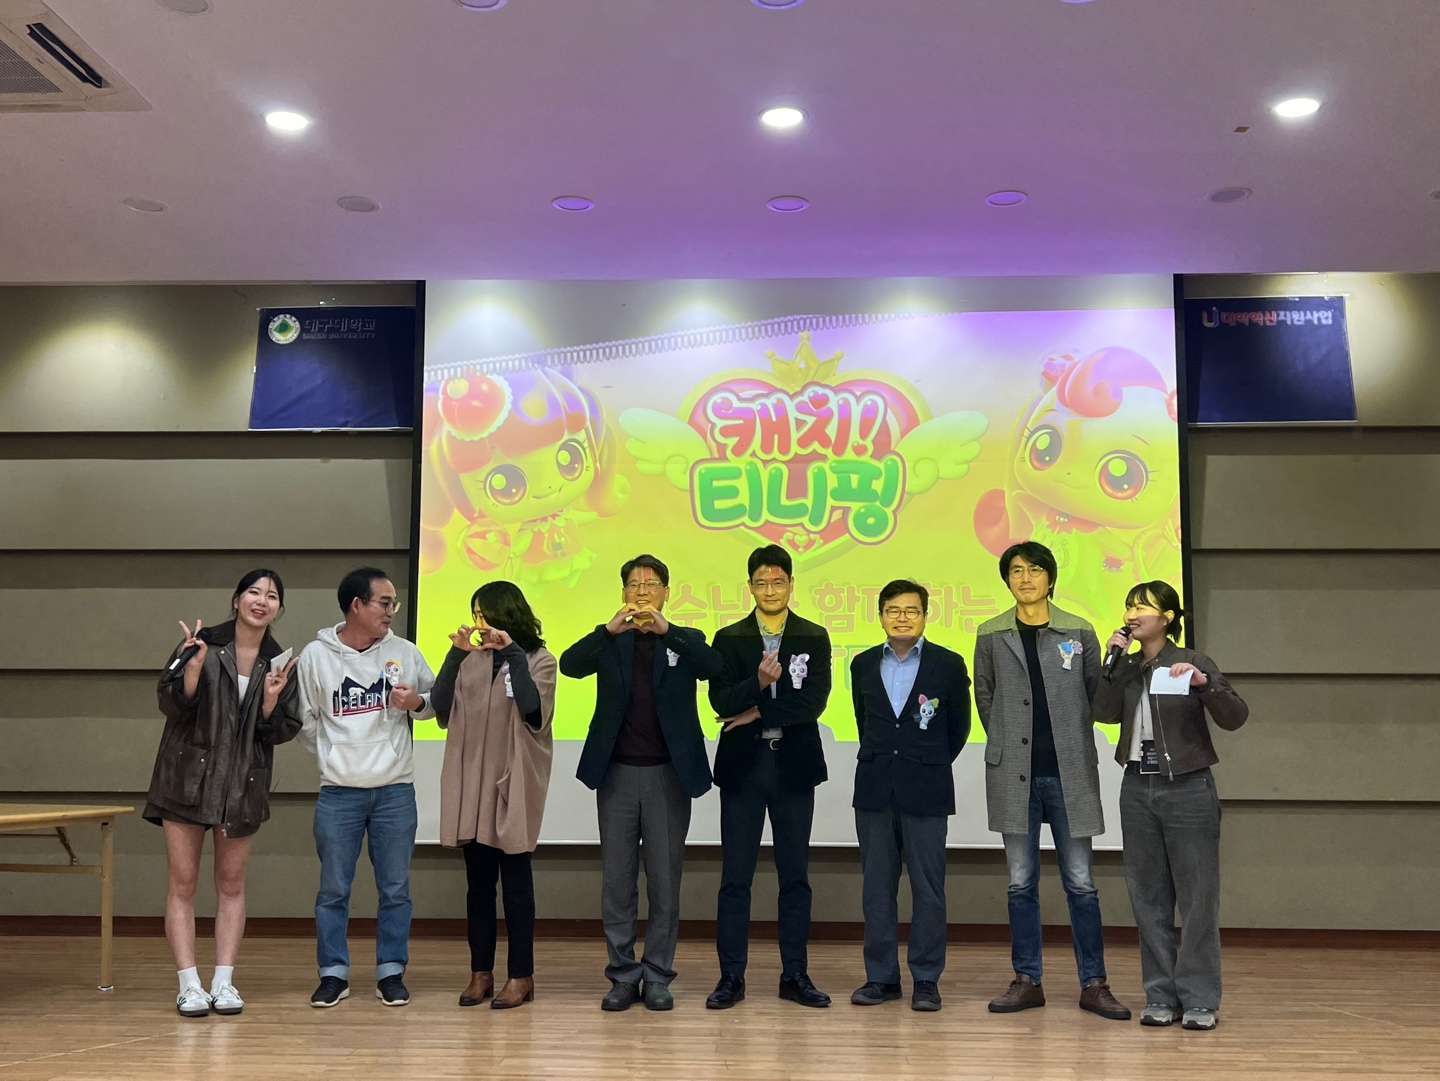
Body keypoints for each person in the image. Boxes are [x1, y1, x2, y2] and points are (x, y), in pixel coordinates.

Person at [973, 541, 1130, 1020]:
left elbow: (1096, 698)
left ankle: (1094, 984)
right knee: (1020, 882)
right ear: (1007, 580)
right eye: (1016, 571)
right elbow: (985, 697)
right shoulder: (991, 633)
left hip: (1069, 773)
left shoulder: (1077, 630)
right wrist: (1007, 741)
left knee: (1081, 883)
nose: (1026, 578)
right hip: (1013, 774)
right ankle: (1027, 981)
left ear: (1051, 578)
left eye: (1035, 570)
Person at [562, 554, 723, 1012]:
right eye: (634, 584)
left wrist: (669, 633)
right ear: (623, 593)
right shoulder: (611, 640)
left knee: (665, 880)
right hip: (615, 773)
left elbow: (714, 667)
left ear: (666, 593)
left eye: (651, 585)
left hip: (668, 775)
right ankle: (622, 975)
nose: (642, 591)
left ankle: (657, 975)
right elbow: (570, 665)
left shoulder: (686, 640)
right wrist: (607, 630)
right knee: (617, 881)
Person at [1092, 581, 1248, 1031]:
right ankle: (1160, 994)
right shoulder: (1126, 665)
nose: (1131, 613)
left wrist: (1204, 685)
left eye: (1142, 606)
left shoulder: (1191, 660)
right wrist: (1111, 662)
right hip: (1137, 788)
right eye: (1128, 605)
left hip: (1188, 787)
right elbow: (1102, 712)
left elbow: (1235, 716)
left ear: (1167, 618)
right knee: (1148, 898)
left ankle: (1199, 999)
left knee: (1197, 898)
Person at [146, 569, 301, 1018]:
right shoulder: (200, 645)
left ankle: (224, 982)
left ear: (278, 608)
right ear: (236, 600)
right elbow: (169, 703)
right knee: (183, 883)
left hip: (242, 786)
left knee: (231, 885)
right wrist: (192, 673)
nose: (262, 601)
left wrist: (270, 702)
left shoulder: (280, 662)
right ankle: (189, 985)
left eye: (272, 596)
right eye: (254, 592)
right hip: (185, 780)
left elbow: (282, 730)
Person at [295, 567, 435, 1009]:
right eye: (384, 603)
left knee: (395, 888)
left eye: (394, 604)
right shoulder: (316, 656)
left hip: (395, 790)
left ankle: (391, 970)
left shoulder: (405, 652)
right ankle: (332, 973)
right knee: (333, 889)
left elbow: (434, 704)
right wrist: (333, 756)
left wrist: (416, 703)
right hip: (339, 792)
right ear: (356, 605)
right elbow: (305, 719)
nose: (391, 611)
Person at [706, 544, 832, 1010]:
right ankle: (731, 977)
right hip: (745, 766)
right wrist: (757, 684)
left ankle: (794, 974)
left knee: (794, 875)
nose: (770, 589)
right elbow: (721, 702)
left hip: (794, 766)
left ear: (792, 584)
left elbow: (813, 702)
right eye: (761, 582)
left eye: (778, 582)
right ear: (750, 587)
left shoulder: (813, 635)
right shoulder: (729, 637)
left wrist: (757, 710)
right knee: (735, 876)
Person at [432, 581, 557, 1011]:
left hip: (512, 782)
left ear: (509, 614)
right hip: (473, 784)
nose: (481, 623)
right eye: (476, 614)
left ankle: (521, 975)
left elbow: (533, 710)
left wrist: (513, 654)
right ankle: (480, 973)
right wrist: (454, 654)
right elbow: (440, 706)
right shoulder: (470, 660)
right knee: (478, 886)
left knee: (517, 886)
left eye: (486, 614)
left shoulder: (539, 659)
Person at [849, 579, 971, 1012]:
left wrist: (925, 761)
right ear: (880, 615)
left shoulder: (948, 663)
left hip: (927, 787)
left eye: (911, 610)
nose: (902, 618)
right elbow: (864, 721)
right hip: (875, 787)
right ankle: (880, 978)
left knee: (928, 888)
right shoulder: (862, 663)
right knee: (876, 888)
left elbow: (958, 729)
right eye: (893, 610)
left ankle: (925, 979)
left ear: (925, 615)